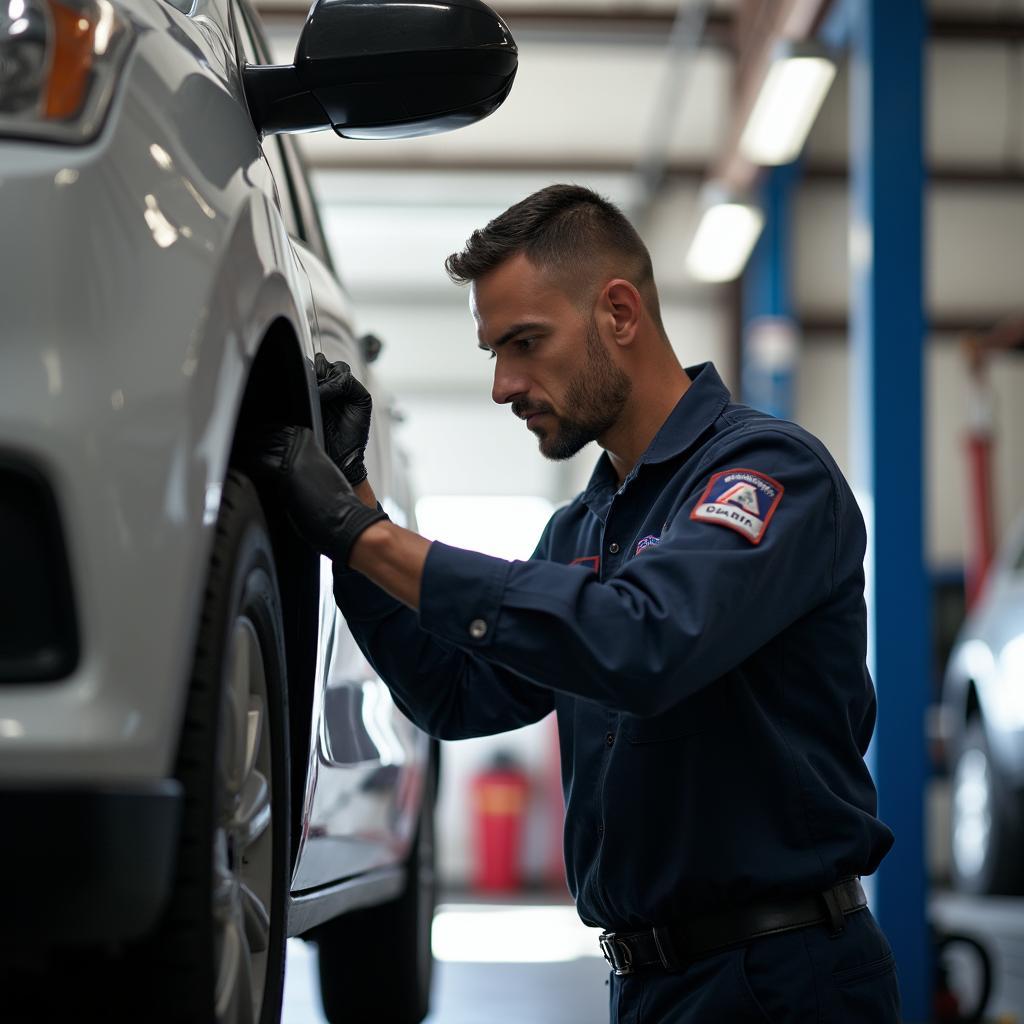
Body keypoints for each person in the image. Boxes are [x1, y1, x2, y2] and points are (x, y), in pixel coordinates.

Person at [250, 185, 901, 1022]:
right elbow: (456, 690)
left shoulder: (771, 473)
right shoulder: (582, 527)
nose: (502, 385)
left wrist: (372, 538)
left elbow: (643, 641)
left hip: (783, 982)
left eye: (525, 343)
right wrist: (354, 514)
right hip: (648, 986)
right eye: (492, 351)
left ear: (620, 312)